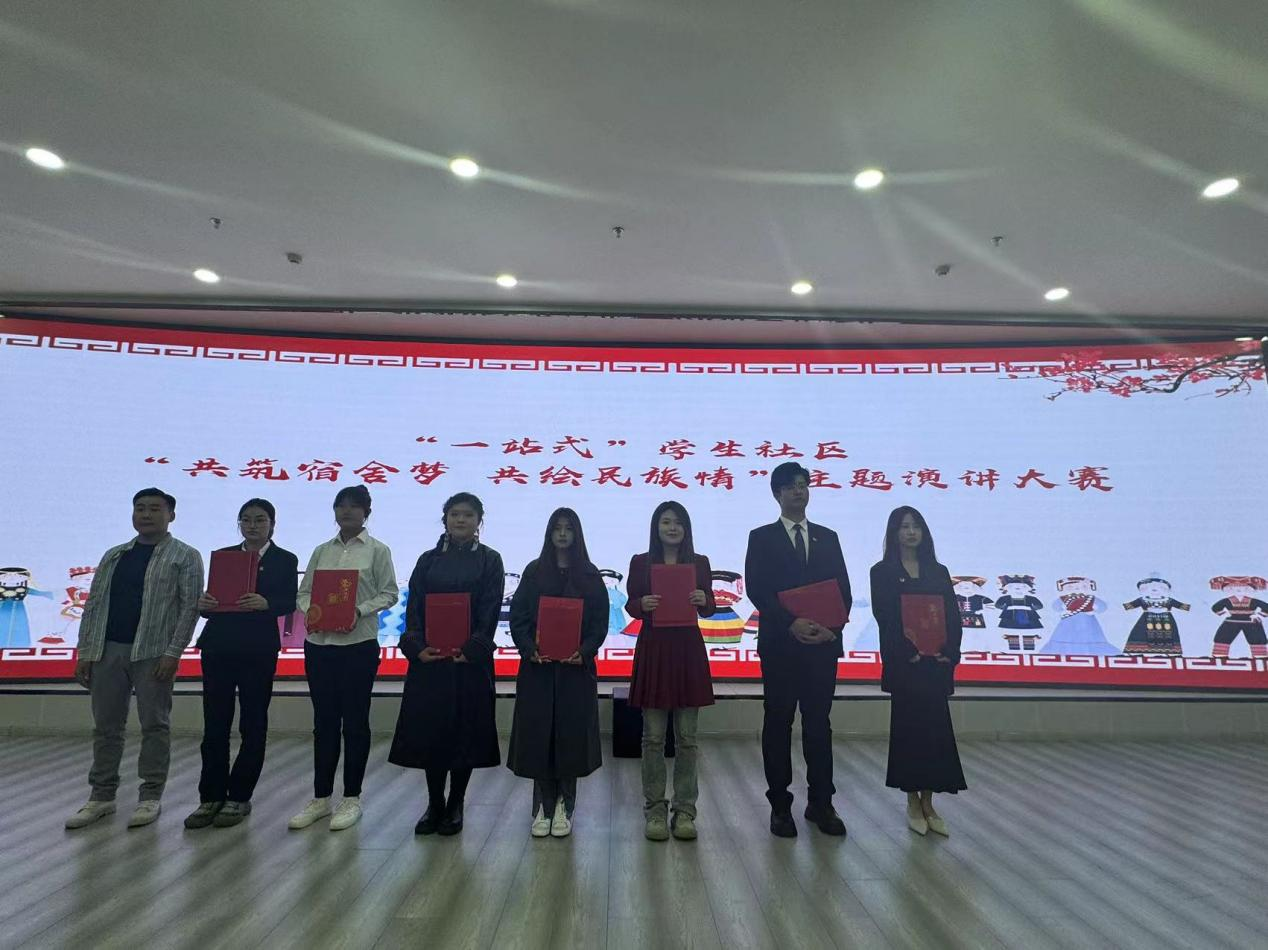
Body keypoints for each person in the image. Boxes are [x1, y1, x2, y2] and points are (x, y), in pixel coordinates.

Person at [65, 489, 204, 830]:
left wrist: (173, 652)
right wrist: (86, 652)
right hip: (107, 650)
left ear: (171, 515)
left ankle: (150, 796)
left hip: (153, 653)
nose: (146, 514)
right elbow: (94, 605)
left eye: (155, 509)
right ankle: (101, 796)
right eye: (140, 508)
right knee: (106, 726)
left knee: (155, 725)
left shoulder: (185, 556)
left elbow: (190, 608)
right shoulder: (115, 555)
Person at [744, 462, 851, 839]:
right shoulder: (762, 537)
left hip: (821, 647)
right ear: (777, 494)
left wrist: (830, 629)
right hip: (780, 646)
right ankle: (780, 806)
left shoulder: (828, 537)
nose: (798, 491)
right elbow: (757, 589)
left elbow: (843, 589)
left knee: (819, 725)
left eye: (803, 484)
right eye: (790, 486)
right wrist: (791, 623)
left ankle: (821, 803)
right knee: (778, 723)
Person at [388, 492, 504, 836]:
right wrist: (417, 647)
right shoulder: (427, 560)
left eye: (468, 514)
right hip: (431, 661)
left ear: (479, 521)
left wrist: (473, 648)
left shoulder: (490, 560)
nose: (460, 520)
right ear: (445, 519)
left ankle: (456, 802)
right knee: (433, 733)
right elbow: (414, 609)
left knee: (464, 734)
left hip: (469, 662)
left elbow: (490, 608)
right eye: (454, 514)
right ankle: (434, 802)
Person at [289, 486, 398, 832]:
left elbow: (390, 593)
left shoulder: (378, 550)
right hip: (319, 645)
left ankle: (351, 797)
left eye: (354, 506)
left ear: (367, 512)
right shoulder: (322, 551)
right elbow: (304, 593)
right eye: (341, 506)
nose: (347, 511)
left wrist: (358, 610)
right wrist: (313, 611)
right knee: (323, 722)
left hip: (357, 644)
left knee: (354, 722)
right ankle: (321, 798)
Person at [184, 499, 298, 829]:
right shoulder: (225, 557)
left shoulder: (285, 559)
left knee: (253, 722)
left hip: (257, 648)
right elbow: (212, 605)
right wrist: (205, 603)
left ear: (272, 524)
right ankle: (210, 797)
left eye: (260, 520)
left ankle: (239, 796)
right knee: (215, 724)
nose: (252, 526)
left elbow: (289, 600)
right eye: (246, 520)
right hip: (219, 646)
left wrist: (266, 602)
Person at [506, 508, 607, 838]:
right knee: (540, 737)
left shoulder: (589, 575)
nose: (563, 534)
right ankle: (542, 805)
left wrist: (585, 651)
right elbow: (519, 617)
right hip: (539, 669)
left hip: (575, 671)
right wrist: (528, 648)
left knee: (570, 737)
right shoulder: (534, 571)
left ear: (577, 535)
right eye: (557, 528)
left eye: (569, 529)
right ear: (549, 533)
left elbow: (599, 623)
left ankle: (565, 803)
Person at [869, 506, 966, 837]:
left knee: (935, 735)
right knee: (909, 734)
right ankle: (912, 801)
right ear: (894, 533)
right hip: (906, 666)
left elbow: (952, 616)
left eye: (916, 526)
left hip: (935, 665)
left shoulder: (938, 571)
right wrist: (906, 650)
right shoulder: (882, 571)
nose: (911, 532)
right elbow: (885, 618)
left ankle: (929, 802)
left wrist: (949, 651)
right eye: (904, 526)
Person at [624, 501, 715, 842]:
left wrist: (703, 599)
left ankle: (685, 810)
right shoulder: (641, 562)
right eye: (666, 522)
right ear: (656, 527)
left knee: (688, 739)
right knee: (652, 738)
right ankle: (655, 810)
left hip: (688, 650)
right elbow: (631, 604)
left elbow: (710, 608)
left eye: (678, 522)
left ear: (686, 528)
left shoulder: (699, 563)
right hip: (655, 649)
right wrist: (642, 604)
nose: (672, 527)